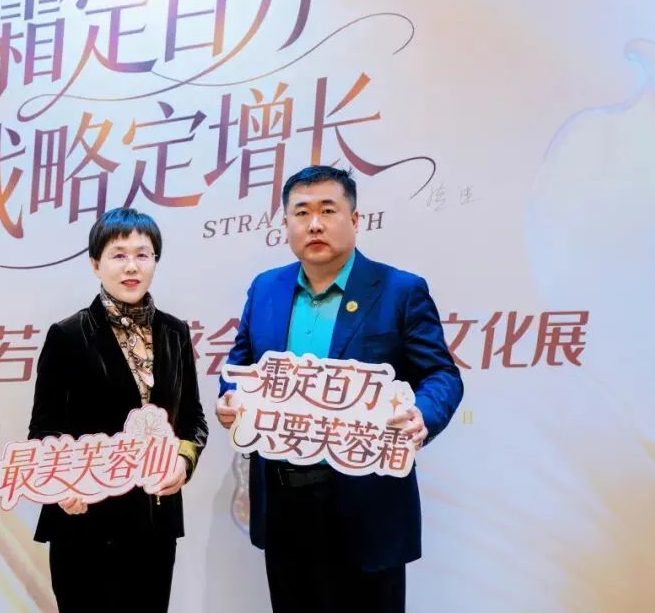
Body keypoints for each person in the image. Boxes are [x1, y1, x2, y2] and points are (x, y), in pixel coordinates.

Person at [215, 165, 464, 613]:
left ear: (355, 219)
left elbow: (442, 375)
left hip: (368, 500)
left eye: (328, 210)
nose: (314, 224)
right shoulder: (266, 288)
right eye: (301, 213)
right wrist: (231, 397)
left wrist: (423, 414)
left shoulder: (399, 290)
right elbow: (239, 366)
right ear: (286, 223)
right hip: (284, 498)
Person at [28, 207, 209, 613]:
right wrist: (62, 482)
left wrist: (183, 460)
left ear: (155, 261)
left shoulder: (175, 332)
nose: (132, 266)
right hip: (85, 519)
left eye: (143, 254)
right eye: (118, 255)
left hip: (154, 520)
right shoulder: (69, 334)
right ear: (96, 264)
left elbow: (193, 418)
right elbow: (43, 428)